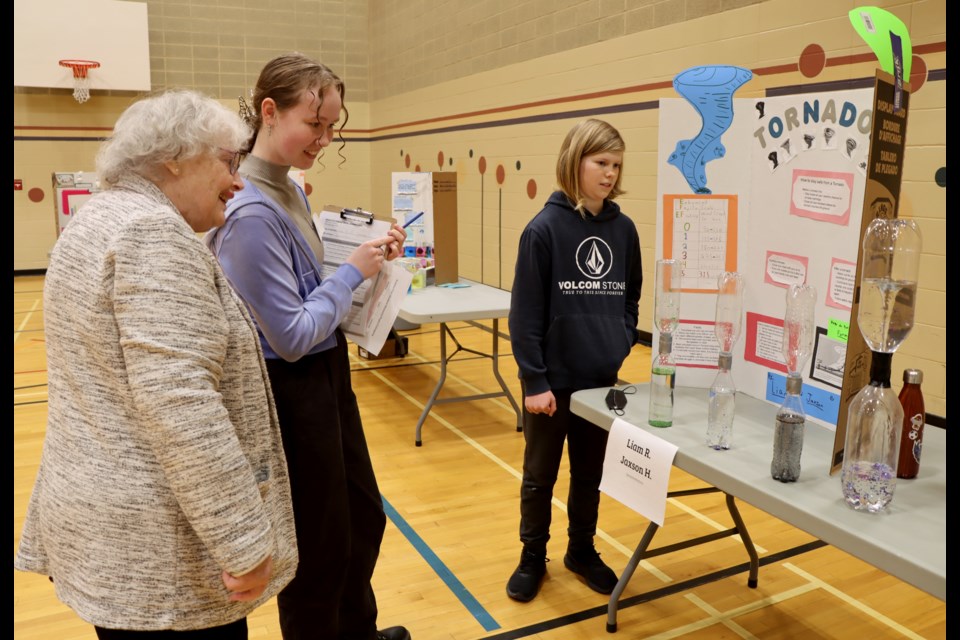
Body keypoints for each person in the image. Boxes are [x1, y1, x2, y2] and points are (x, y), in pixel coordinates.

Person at [14, 90, 298, 638]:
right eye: (228, 161)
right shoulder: (152, 233)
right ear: (175, 156)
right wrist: (243, 540)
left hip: (109, 529)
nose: (237, 181)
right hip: (162, 551)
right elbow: (182, 408)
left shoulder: (97, 217)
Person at [205, 53, 409, 640]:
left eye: (331, 127)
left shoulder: (287, 187)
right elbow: (291, 336)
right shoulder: (249, 214)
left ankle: (356, 630)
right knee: (317, 551)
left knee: (360, 522)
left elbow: (309, 291)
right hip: (294, 393)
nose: (323, 139)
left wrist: (365, 258)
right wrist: (351, 273)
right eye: (314, 124)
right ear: (269, 112)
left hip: (328, 378)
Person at [506, 118, 643, 602]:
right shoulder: (542, 230)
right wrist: (534, 379)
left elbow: (630, 297)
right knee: (540, 475)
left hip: (600, 382)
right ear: (575, 161)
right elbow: (523, 315)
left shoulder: (624, 230)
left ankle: (581, 551)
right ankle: (531, 556)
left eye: (616, 165)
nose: (609, 173)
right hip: (550, 385)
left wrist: (620, 339)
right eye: (600, 162)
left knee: (590, 475)